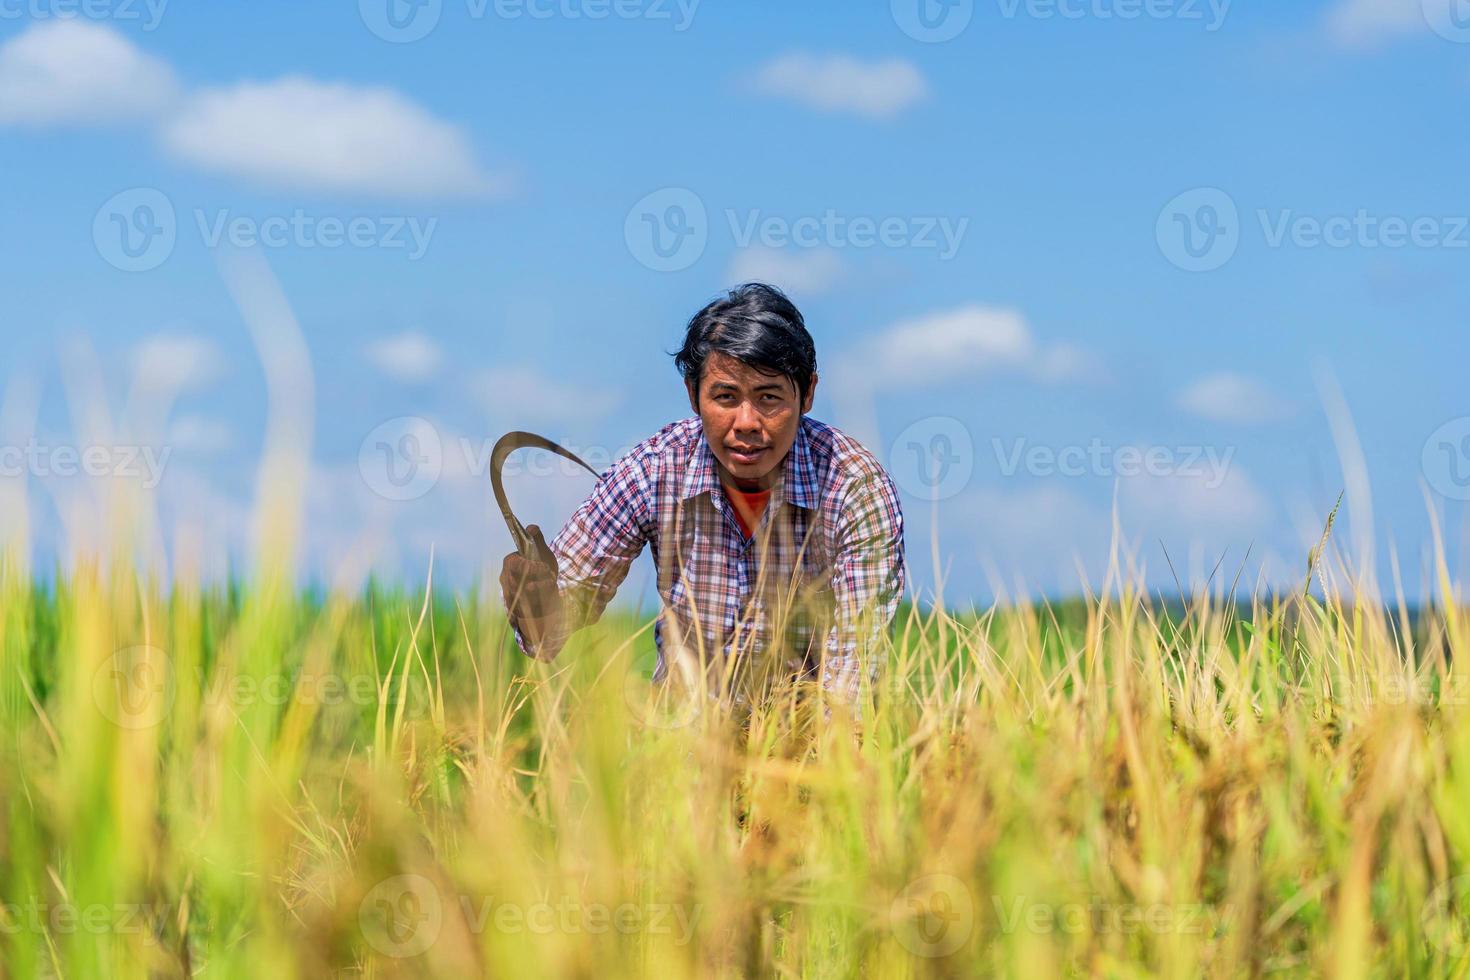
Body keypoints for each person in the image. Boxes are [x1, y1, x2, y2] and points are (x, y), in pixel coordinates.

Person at [498, 282, 906, 715]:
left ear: (807, 394)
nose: (747, 422)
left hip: (810, 743)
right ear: (693, 395)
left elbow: (852, 683)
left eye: (769, 398)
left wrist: (802, 770)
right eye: (725, 397)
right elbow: (552, 629)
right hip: (681, 747)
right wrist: (537, 606)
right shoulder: (652, 471)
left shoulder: (855, 488)